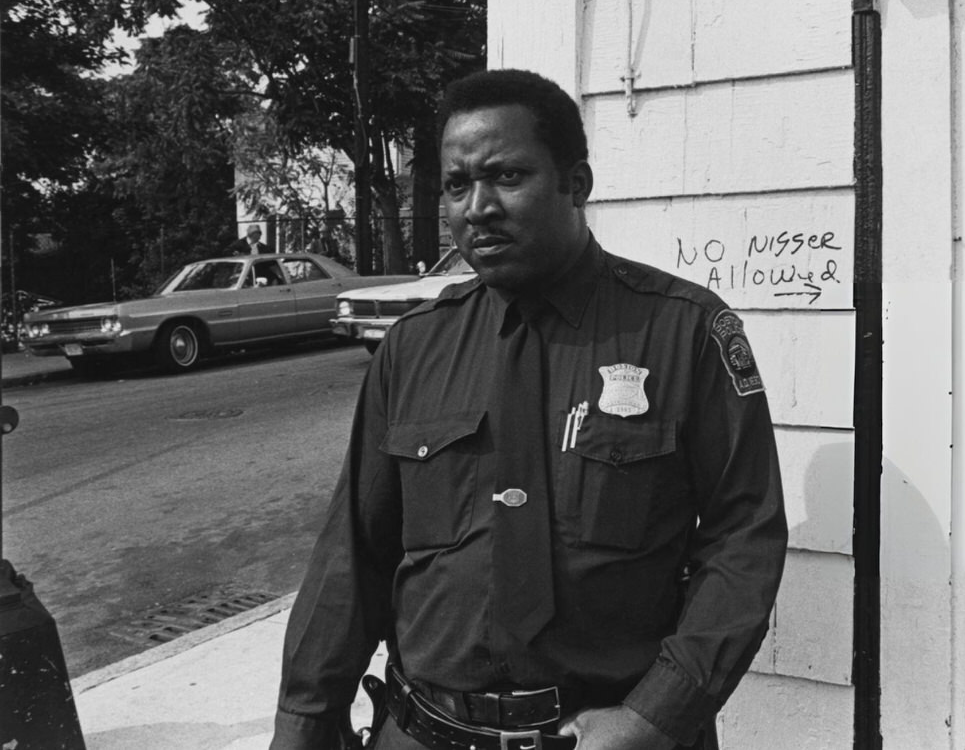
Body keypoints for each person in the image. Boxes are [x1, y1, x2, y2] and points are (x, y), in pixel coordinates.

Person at [270, 69, 787, 750]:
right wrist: (305, 719)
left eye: (507, 176)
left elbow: (743, 538)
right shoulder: (413, 348)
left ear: (576, 183)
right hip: (425, 730)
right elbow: (354, 554)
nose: (477, 207)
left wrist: (657, 714)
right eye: (457, 185)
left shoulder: (682, 332)